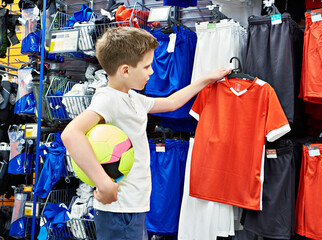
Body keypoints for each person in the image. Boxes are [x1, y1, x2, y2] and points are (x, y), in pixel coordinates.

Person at [61, 26, 231, 240]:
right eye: (147, 66)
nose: (152, 72)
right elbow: (71, 134)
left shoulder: (132, 97)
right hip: (119, 210)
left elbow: (171, 102)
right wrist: (103, 183)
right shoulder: (108, 98)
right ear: (125, 71)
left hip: (134, 206)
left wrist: (206, 79)